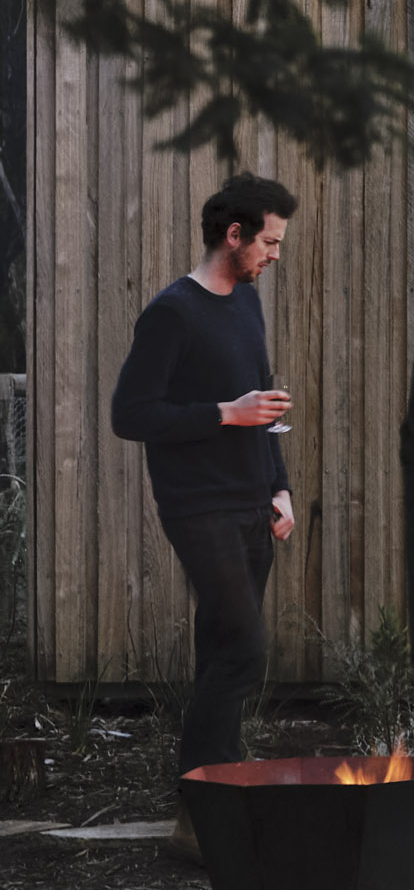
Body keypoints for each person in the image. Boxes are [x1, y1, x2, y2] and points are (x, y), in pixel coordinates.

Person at [110, 174, 298, 788]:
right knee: (244, 651)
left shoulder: (246, 300)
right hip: (198, 508)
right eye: (268, 242)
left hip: (252, 503)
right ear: (233, 234)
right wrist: (224, 413)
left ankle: (210, 798)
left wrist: (279, 487)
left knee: (221, 650)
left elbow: (263, 403)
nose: (275, 255)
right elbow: (130, 415)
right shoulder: (172, 314)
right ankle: (205, 804)